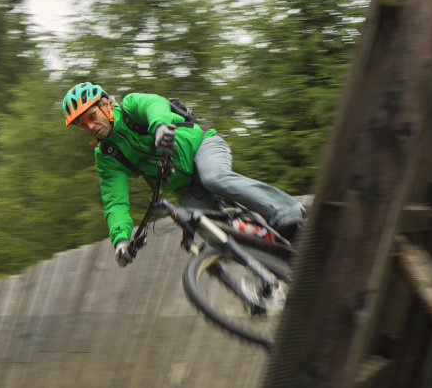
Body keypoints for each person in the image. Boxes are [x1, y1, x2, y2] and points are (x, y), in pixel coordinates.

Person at [62, 82, 305, 267]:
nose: (90, 126)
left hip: (202, 146)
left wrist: (160, 127)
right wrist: (121, 241)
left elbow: (154, 104)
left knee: (214, 178)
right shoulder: (106, 155)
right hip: (184, 186)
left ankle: (287, 213)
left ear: (105, 106)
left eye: (91, 116)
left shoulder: (129, 107)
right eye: (83, 124)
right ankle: (273, 262)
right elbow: (115, 201)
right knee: (215, 238)